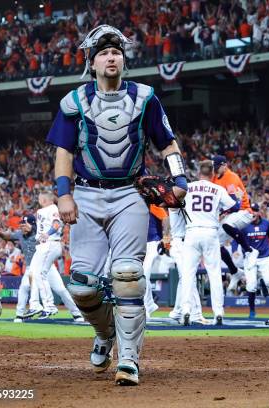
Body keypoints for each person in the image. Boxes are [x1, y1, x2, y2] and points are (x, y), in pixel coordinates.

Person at [46, 24, 187, 385]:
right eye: (105, 53)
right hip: (87, 195)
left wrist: (181, 179)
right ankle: (106, 333)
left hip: (129, 194)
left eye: (117, 53)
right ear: (91, 63)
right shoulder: (74, 102)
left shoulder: (145, 98)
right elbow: (64, 153)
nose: (113, 57)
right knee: (81, 284)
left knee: (127, 276)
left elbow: (167, 144)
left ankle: (128, 358)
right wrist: (64, 194)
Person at [0, 214, 84, 323]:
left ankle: (76, 314)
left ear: (33, 224)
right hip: (32, 267)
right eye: (21, 225)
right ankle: (20, 315)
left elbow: (52, 232)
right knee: (24, 287)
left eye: (25, 225)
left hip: (47, 266)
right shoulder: (21, 234)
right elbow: (8, 236)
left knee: (61, 289)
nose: (23, 227)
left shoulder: (40, 233)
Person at [178, 160, 238, 325]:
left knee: (188, 274)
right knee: (214, 273)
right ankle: (218, 313)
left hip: (192, 231)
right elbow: (235, 206)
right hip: (211, 232)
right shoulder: (218, 188)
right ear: (212, 174)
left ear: (199, 173)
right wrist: (221, 208)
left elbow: (176, 203)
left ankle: (185, 312)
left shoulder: (188, 187)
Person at [212, 155, 260, 276]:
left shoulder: (231, 177)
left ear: (224, 165)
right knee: (215, 244)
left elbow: (235, 205)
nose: (215, 169)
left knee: (227, 224)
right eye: (214, 167)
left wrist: (220, 213)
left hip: (244, 212)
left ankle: (250, 250)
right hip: (229, 215)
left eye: (218, 167)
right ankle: (234, 271)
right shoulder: (215, 178)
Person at [22, 191, 65, 319]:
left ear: (45, 200)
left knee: (41, 274)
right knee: (32, 273)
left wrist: (48, 233)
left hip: (50, 243)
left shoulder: (52, 208)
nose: (38, 199)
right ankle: (34, 305)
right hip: (43, 245)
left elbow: (56, 224)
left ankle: (49, 306)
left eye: (40, 198)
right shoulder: (43, 210)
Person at [167, 207, 210, 325]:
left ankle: (177, 311)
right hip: (180, 243)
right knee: (189, 278)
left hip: (185, 243)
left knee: (184, 279)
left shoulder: (183, 202)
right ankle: (196, 315)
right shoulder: (175, 202)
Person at [241, 202, 269, 318]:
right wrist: (235, 250)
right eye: (251, 211)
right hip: (250, 257)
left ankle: (263, 282)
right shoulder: (244, 225)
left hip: (264, 256)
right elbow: (236, 239)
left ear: (259, 212)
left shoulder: (266, 223)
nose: (253, 213)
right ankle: (252, 310)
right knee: (251, 286)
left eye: (255, 210)